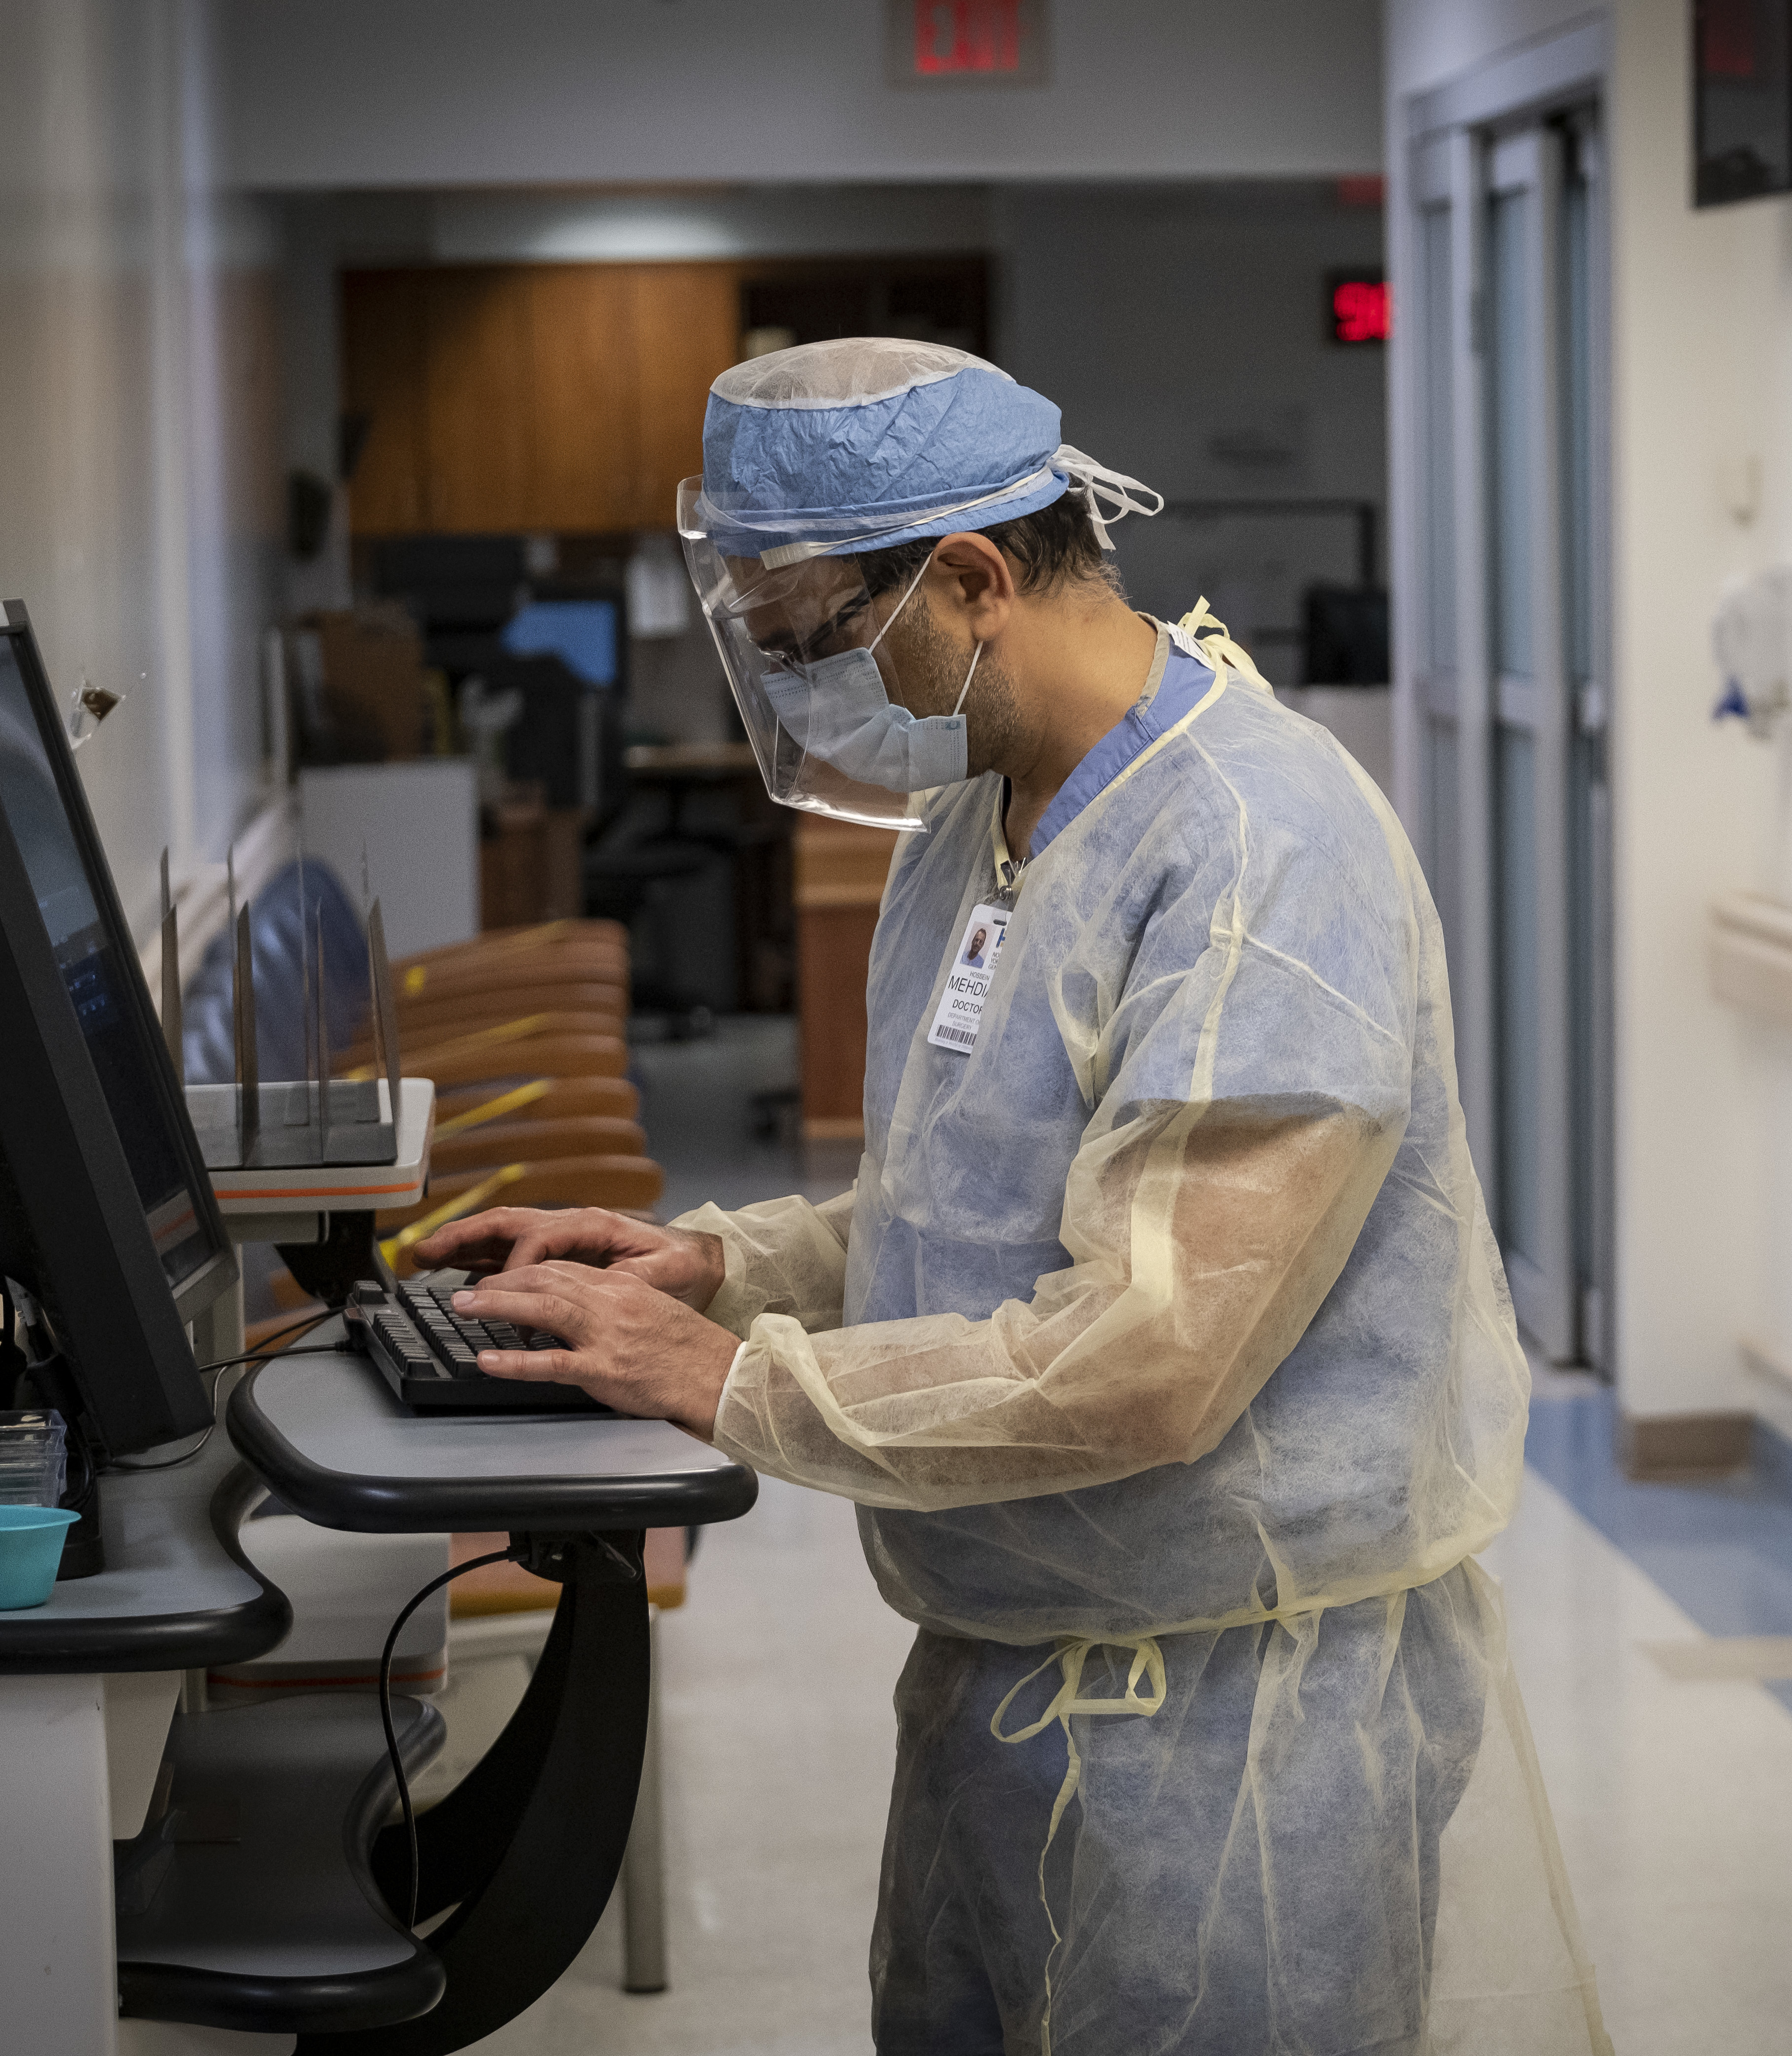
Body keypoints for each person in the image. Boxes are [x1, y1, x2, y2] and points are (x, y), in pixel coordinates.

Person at [414, 339, 1608, 2055]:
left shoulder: (1262, 849)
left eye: (812, 638)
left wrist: (727, 1386)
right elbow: (966, 1210)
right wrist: (712, 1271)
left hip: (1227, 1722)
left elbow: (1147, 1353)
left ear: (972, 580)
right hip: (1006, 1663)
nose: (796, 689)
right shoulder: (979, 817)